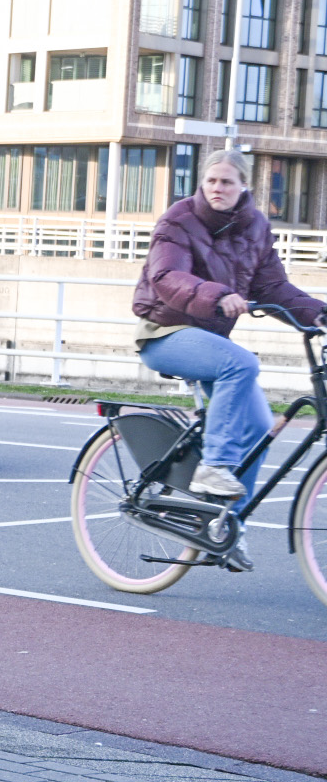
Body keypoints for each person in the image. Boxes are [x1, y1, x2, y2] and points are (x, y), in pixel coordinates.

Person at [133, 147, 322, 564]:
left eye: (227, 182)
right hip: (166, 332)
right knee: (242, 362)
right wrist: (219, 296)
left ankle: (224, 527)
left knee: (258, 428)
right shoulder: (178, 220)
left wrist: (320, 314)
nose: (218, 188)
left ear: (244, 187)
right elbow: (166, 277)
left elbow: (275, 289)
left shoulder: (255, 227)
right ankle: (213, 467)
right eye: (211, 180)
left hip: (211, 340)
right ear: (202, 182)